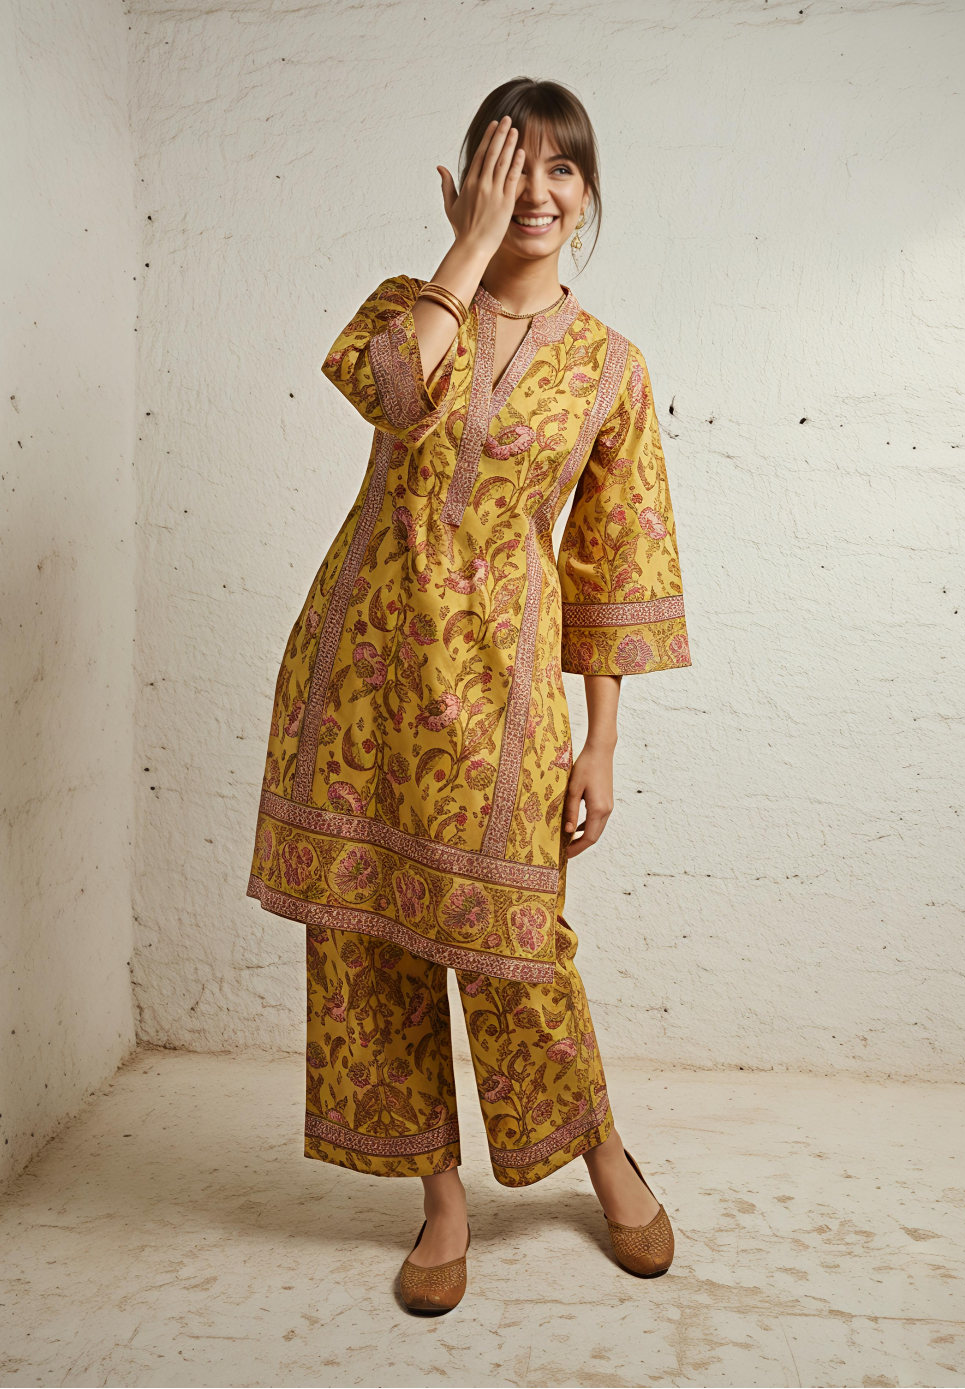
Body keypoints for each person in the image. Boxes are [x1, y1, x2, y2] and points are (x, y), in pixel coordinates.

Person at [247, 77, 690, 1313]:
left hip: (502, 690)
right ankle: (441, 1201)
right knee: (367, 934)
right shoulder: (409, 308)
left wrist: (601, 741)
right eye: (511, 166)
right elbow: (389, 394)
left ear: (588, 192)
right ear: (468, 182)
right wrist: (468, 250)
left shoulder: (611, 368)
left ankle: (601, 1153)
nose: (536, 191)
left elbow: (615, 563)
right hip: (359, 673)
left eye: (560, 168)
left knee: (517, 946)